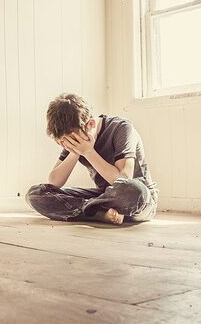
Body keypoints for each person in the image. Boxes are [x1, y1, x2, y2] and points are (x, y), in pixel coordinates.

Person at [25, 93, 158, 225]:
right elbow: (54, 182)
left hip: (137, 199)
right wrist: (75, 153)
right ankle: (99, 214)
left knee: (133, 190)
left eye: (72, 141)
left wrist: (88, 152)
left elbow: (124, 178)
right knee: (36, 193)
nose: (68, 145)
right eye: (63, 142)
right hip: (104, 197)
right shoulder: (72, 139)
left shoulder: (121, 128)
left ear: (91, 124)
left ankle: (89, 211)